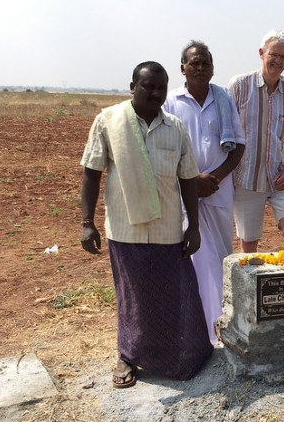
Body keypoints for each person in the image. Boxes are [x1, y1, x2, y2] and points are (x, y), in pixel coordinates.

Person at [80, 61, 213, 388]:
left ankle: (177, 355)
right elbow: (91, 172)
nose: (155, 93)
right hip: (127, 230)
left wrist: (193, 227)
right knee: (132, 297)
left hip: (168, 230)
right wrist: (87, 222)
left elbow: (188, 181)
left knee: (174, 295)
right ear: (132, 87)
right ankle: (127, 356)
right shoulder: (109, 121)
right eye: (147, 86)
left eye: (160, 88)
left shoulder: (176, 127)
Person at [163, 41, 245, 344]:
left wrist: (216, 178)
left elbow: (238, 144)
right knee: (196, 258)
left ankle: (223, 322)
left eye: (205, 63)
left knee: (221, 257)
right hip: (183, 192)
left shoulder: (223, 99)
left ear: (212, 68)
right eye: (193, 63)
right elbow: (163, 148)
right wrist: (192, 179)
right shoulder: (171, 103)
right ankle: (200, 325)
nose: (199, 68)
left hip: (219, 192)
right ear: (182, 68)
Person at [228, 29, 284, 253]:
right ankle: (251, 287)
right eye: (274, 55)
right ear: (262, 53)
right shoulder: (239, 86)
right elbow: (227, 133)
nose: (279, 61)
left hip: (281, 177)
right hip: (247, 179)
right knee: (249, 245)